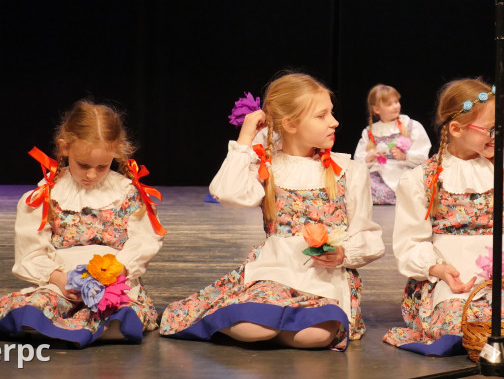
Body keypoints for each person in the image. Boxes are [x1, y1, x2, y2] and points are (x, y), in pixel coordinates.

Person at [160, 72, 384, 350]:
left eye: (332, 113)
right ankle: (264, 321)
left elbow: (368, 235)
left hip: (323, 279)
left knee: (314, 337)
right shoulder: (268, 167)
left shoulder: (348, 170)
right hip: (275, 271)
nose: (334, 122)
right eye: (322, 115)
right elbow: (227, 192)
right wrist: (246, 136)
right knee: (253, 330)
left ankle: (282, 325)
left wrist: (343, 254)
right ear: (290, 124)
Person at [0, 100, 166, 346]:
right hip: (64, 284)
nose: (91, 175)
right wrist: (58, 279)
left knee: (119, 314)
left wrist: (118, 272)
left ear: (115, 152)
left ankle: (71, 329)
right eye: (83, 165)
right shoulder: (47, 195)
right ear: (64, 148)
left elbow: (144, 240)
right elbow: (31, 250)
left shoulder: (127, 193)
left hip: (112, 286)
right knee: (41, 304)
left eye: (102, 166)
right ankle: (42, 324)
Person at [383, 78, 504, 357]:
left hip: (501, 276)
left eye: (502, 127)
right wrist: (437, 269)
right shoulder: (422, 179)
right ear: (456, 129)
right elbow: (410, 242)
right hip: (450, 277)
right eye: (490, 129)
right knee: (459, 325)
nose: (498, 135)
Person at [353, 84, 431, 204]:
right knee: (361, 187)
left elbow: (423, 156)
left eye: (396, 102)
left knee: (410, 186)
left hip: (403, 173)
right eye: (389, 104)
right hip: (378, 174)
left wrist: (405, 156)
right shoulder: (370, 132)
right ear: (377, 109)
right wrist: (370, 157)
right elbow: (358, 161)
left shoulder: (411, 126)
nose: (395, 106)